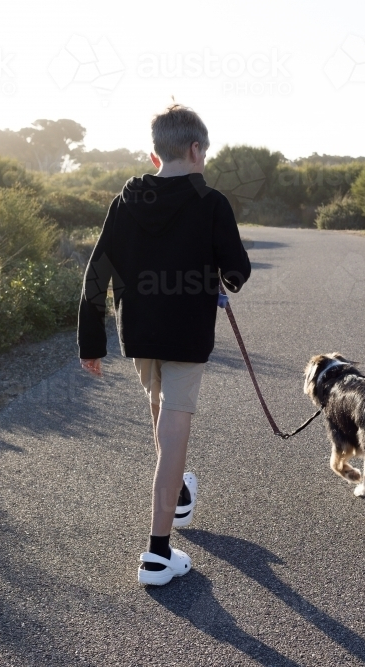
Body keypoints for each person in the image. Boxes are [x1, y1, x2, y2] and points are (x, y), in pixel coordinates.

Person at [77, 103, 251, 586]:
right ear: (195, 149)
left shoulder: (125, 201)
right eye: (205, 153)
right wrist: (218, 275)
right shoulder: (210, 201)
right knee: (174, 433)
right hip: (186, 334)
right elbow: (237, 271)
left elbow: (97, 273)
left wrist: (90, 341)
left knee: (161, 420)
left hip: (139, 333)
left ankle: (176, 497)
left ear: (156, 154)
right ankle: (157, 553)